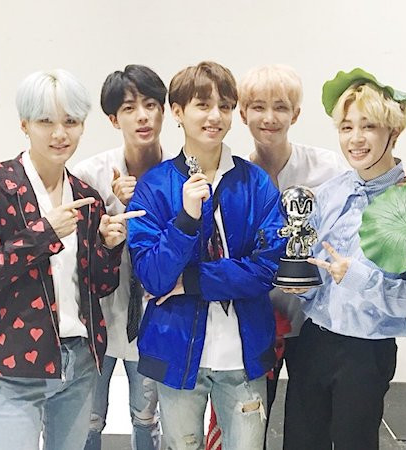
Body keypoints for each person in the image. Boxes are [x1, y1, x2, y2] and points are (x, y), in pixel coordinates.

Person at [0, 69, 142, 450]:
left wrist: (108, 247)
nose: (60, 134)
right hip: (17, 362)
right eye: (46, 121)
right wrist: (42, 235)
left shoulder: (86, 196)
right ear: (24, 124)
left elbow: (100, 286)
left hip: (81, 359)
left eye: (70, 122)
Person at [126, 60, 286, 449]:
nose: (215, 116)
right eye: (203, 105)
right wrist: (185, 220)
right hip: (176, 349)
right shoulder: (155, 186)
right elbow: (153, 277)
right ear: (177, 112)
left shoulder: (256, 183)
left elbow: (267, 269)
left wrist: (193, 281)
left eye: (225, 106)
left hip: (244, 352)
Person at [282, 68, 406, 450]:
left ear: (393, 131)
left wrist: (358, 277)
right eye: (346, 127)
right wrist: (300, 284)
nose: (355, 139)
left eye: (368, 126)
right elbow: (312, 268)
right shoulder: (330, 192)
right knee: (300, 442)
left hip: (366, 350)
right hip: (313, 339)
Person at [74, 64, 166, 450]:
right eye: (129, 108)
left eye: (150, 104)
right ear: (114, 119)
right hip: (99, 318)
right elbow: (73, 254)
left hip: (156, 318)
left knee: (146, 418)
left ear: (164, 110)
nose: (142, 116)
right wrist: (105, 229)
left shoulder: (180, 174)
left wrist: (145, 203)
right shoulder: (89, 175)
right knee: (88, 418)